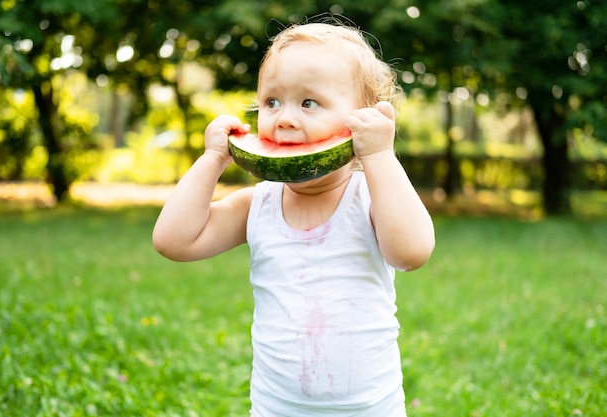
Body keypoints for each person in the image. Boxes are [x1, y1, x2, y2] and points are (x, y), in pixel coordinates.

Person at [153, 21, 435, 416]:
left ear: (363, 120)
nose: (283, 118)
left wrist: (380, 157)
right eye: (271, 102)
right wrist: (211, 160)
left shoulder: (371, 200)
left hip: (369, 409)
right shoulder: (258, 204)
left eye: (308, 103)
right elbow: (173, 241)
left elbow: (412, 252)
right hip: (275, 408)